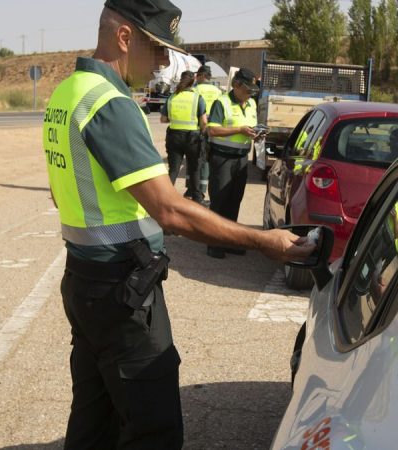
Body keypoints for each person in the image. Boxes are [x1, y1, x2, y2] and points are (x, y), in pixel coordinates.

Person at [41, 1, 314, 448]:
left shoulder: (66, 93)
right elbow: (170, 210)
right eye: (159, 48)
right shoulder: (110, 103)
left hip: (83, 280)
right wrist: (263, 241)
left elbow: (60, 193)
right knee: (154, 430)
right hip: (121, 292)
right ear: (125, 38)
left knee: (94, 422)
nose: (165, 62)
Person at [204, 67, 259, 258]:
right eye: (247, 89)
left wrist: (256, 135)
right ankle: (214, 243)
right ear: (236, 85)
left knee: (234, 200)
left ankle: (229, 241)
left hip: (241, 158)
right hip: (222, 158)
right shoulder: (222, 102)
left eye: (253, 90)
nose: (250, 93)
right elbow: (212, 130)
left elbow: (249, 128)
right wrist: (239, 130)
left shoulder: (251, 104)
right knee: (219, 200)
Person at [160, 70, 207, 203]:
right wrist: (203, 133)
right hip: (193, 138)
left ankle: (166, 198)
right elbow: (203, 122)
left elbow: (163, 119)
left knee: (174, 169)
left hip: (174, 137)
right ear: (194, 81)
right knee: (194, 169)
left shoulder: (172, 97)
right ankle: (197, 199)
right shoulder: (197, 98)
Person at [191, 65, 222, 203]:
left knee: (196, 160)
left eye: (198, 75)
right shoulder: (218, 91)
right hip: (213, 129)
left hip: (198, 128)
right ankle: (201, 189)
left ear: (203, 75)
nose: (196, 78)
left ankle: (196, 190)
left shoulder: (195, 89)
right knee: (207, 160)